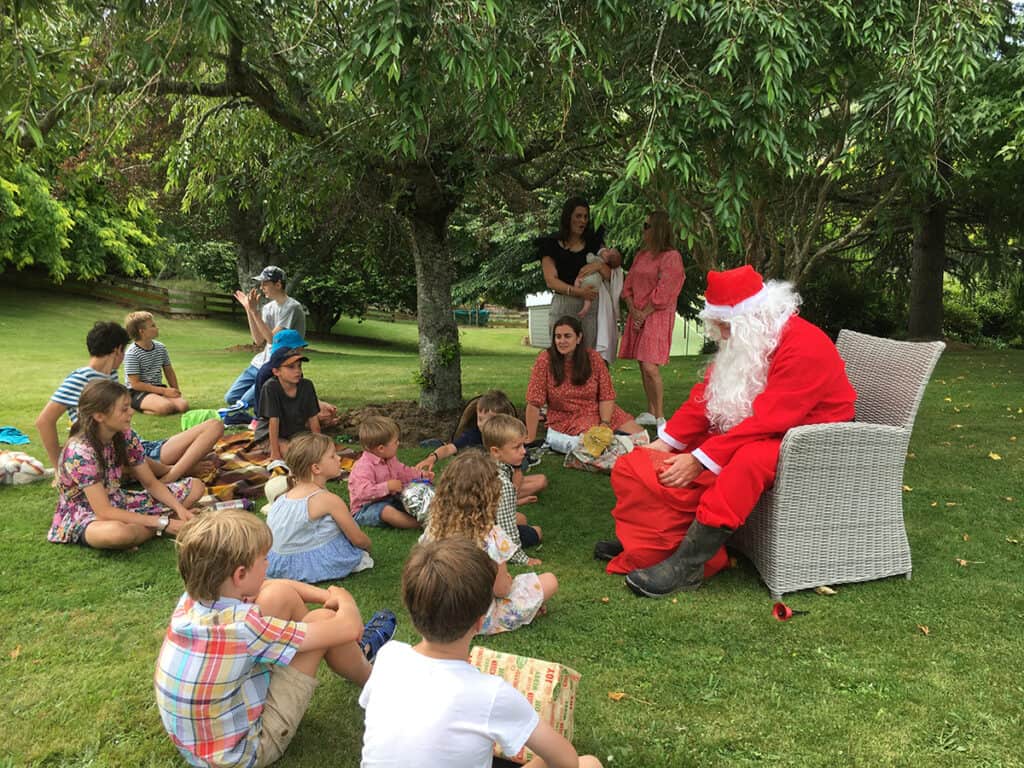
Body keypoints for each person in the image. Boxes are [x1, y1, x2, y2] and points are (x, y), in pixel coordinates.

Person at [594, 265, 857, 597]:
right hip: (773, 424)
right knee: (685, 450)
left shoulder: (804, 345)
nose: (720, 331)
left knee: (745, 462)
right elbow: (709, 399)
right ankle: (653, 539)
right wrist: (668, 443)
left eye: (725, 324)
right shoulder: (750, 336)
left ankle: (687, 565)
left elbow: (772, 419)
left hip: (813, 435)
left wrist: (700, 460)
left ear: (750, 316)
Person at [154, 509, 397, 768]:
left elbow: (272, 585)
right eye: (264, 559)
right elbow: (349, 626)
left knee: (278, 594)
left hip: (199, 745)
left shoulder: (191, 602)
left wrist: (325, 595)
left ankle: (346, 653)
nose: (268, 564)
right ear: (240, 575)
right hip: (245, 753)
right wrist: (342, 597)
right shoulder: (243, 629)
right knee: (324, 622)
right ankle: (377, 683)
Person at [359, 538, 603, 768]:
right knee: (588, 763)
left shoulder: (388, 657)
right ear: (480, 621)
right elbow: (567, 761)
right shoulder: (493, 694)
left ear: (411, 612)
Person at [34, 321, 223, 483]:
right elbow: (44, 421)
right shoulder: (80, 379)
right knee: (211, 433)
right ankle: (172, 474)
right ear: (117, 350)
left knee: (212, 435)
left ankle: (172, 469)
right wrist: (60, 467)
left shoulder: (110, 374)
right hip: (122, 454)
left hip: (137, 447)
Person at [47, 380, 204, 549]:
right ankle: (161, 526)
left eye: (129, 406)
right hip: (86, 514)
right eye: (124, 408)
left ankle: (155, 525)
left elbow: (150, 483)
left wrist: (179, 508)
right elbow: (103, 511)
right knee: (117, 534)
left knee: (196, 486)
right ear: (99, 416)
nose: (131, 412)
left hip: (119, 501)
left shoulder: (125, 435)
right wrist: (162, 523)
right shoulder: (80, 452)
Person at [423, 451, 556, 635]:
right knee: (549, 581)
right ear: (490, 496)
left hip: (439, 612)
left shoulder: (434, 527)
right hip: (477, 618)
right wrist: (508, 581)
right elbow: (501, 589)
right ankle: (525, 613)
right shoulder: (490, 535)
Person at [525, 315, 643, 454]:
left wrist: (605, 423)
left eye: (567, 336)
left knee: (641, 438)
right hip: (567, 417)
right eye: (558, 337)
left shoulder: (594, 358)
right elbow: (534, 401)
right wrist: (530, 437)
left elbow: (606, 395)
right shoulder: (545, 360)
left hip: (600, 410)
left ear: (579, 338)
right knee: (601, 445)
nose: (562, 341)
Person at [266, 433, 374, 583]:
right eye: (332, 456)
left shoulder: (283, 498)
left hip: (278, 564)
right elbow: (357, 539)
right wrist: (367, 547)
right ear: (316, 468)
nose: (338, 458)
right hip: (311, 565)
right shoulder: (328, 500)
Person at [414, 389, 547, 502]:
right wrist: (432, 457)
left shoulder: (510, 441)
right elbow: (449, 448)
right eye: (479, 419)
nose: (482, 424)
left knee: (541, 480)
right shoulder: (474, 435)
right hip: (479, 483)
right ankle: (488, 499)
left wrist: (513, 493)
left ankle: (496, 500)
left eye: (488, 420)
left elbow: (517, 472)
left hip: (503, 483)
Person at [618, 211, 686, 429]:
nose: (643, 231)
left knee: (650, 365)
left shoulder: (671, 257)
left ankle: (660, 416)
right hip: (637, 313)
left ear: (658, 229)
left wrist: (644, 313)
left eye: (647, 226)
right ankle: (650, 410)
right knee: (641, 363)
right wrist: (633, 309)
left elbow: (666, 291)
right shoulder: (641, 255)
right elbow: (627, 286)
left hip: (656, 316)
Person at [536, 196, 622, 352]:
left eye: (585, 217)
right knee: (561, 354)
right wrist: (578, 292)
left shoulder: (593, 242)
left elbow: (610, 274)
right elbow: (550, 280)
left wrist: (597, 266)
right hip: (564, 303)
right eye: (578, 216)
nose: (582, 221)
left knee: (588, 355)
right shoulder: (550, 244)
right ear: (568, 217)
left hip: (590, 308)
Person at [222, 266, 307, 421]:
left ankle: (256, 417)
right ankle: (257, 410)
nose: (261, 288)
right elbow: (258, 340)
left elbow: (272, 339)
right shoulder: (268, 308)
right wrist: (249, 310)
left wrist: (254, 312)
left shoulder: (292, 308)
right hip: (259, 363)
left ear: (278, 284)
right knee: (230, 398)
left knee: (244, 403)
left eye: (265, 283)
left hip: (277, 366)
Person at [348, 415, 432, 529]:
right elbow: (362, 492)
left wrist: (421, 475)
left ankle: (431, 515)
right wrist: (387, 487)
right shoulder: (364, 466)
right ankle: (419, 525)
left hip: (389, 499)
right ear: (381, 448)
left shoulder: (390, 459)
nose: (398, 444)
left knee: (411, 496)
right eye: (395, 442)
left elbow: (403, 472)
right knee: (386, 512)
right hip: (365, 508)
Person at [482, 414, 543, 565]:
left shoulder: (482, 467)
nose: (523, 451)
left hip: (469, 530)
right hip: (485, 538)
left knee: (521, 519)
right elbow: (506, 528)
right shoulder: (503, 483)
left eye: (523, 445)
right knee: (537, 531)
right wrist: (522, 559)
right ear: (496, 451)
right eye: (517, 447)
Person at [253, 347, 320, 463]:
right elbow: (274, 421)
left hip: (296, 432)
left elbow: (313, 419)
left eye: (299, 366)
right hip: (269, 436)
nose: (298, 371)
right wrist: (275, 453)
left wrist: (320, 446)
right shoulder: (270, 388)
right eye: (291, 367)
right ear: (276, 371)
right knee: (295, 455)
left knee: (314, 451)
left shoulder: (307, 386)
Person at [122, 311, 189, 415]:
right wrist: (164, 392)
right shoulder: (132, 353)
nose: (157, 328)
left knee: (183, 406)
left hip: (158, 388)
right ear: (142, 331)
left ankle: (156, 403)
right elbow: (135, 384)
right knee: (166, 408)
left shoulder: (161, 347)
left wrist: (175, 390)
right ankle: (136, 405)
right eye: (152, 326)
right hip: (137, 392)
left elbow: (169, 371)